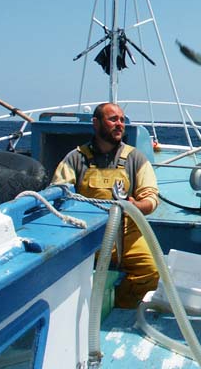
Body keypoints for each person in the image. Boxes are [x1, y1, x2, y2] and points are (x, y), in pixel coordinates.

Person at [51, 102, 160, 308]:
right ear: (96, 123)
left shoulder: (135, 158)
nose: (119, 124)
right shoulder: (75, 158)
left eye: (121, 120)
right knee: (61, 277)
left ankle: (117, 306)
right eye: (113, 119)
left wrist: (136, 205)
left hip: (127, 233)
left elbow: (151, 197)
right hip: (87, 236)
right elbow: (59, 196)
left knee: (151, 271)